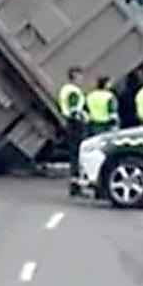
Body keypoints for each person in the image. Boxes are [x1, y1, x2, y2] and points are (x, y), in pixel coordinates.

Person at [58, 66, 87, 196]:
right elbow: (75, 110)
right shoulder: (73, 91)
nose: (82, 79)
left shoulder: (65, 90)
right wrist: (84, 118)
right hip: (76, 125)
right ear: (74, 76)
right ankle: (76, 186)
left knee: (74, 155)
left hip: (70, 123)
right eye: (80, 76)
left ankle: (74, 185)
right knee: (78, 155)